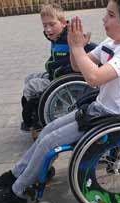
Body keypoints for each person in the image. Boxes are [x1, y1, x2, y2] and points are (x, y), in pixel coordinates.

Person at [0, 0, 120, 203]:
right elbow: (78, 65)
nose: (104, 19)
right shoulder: (111, 42)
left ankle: (18, 192)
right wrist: (73, 46)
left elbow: (94, 78)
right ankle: (18, 174)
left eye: (111, 15)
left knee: (50, 142)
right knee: (47, 130)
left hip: (111, 116)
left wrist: (78, 46)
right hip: (98, 108)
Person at [20, 3, 96, 134]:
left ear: (63, 23)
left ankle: (36, 120)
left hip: (62, 78)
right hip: (55, 75)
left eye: (52, 24)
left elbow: (90, 49)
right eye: (45, 26)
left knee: (31, 86)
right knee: (29, 78)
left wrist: (85, 43)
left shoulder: (70, 38)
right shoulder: (57, 38)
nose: (48, 29)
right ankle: (33, 110)